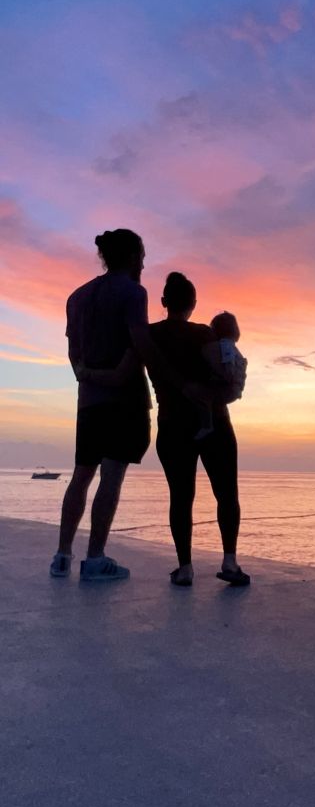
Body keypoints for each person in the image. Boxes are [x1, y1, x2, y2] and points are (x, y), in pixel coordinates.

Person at [51, 229, 151, 581]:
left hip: (89, 403)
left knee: (81, 474)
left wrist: (87, 374)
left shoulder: (77, 297)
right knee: (111, 476)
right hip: (121, 401)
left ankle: (62, 555)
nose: (144, 262)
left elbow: (73, 354)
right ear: (130, 257)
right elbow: (140, 343)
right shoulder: (134, 292)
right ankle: (95, 557)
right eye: (141, 255)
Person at [149, 272, 249, 587]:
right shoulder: (205, 335)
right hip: (215, 423)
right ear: (194, 304)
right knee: (226, 494)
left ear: (163, 302)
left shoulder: (149, 336)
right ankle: (230, 562)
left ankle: (186, 567)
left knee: (181, 498)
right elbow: (226, 375)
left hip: (172, 426)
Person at [195, 311, 247, 440]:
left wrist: (225, 377)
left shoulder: (225, 345)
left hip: (228, 386)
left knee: (202, 397)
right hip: (234, 388)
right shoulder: (231, 346)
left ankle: (207, 426)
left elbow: (228, 363)